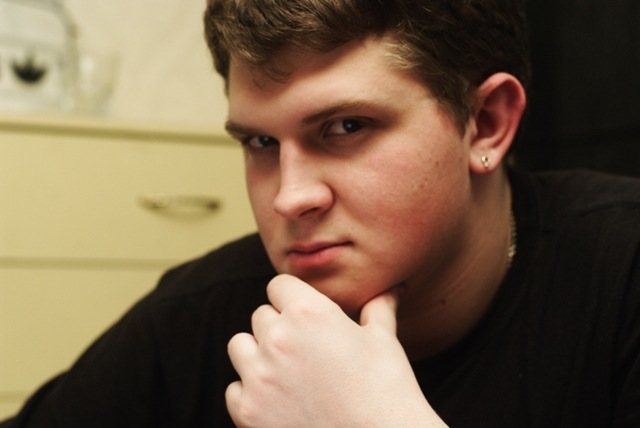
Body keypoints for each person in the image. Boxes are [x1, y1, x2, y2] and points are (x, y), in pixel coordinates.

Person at [2, 0, 639, 426]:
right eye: (260, 142)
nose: (289, 197)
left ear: (487, 124)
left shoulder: (620, 269)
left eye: (346, 126)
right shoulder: (201, 313)